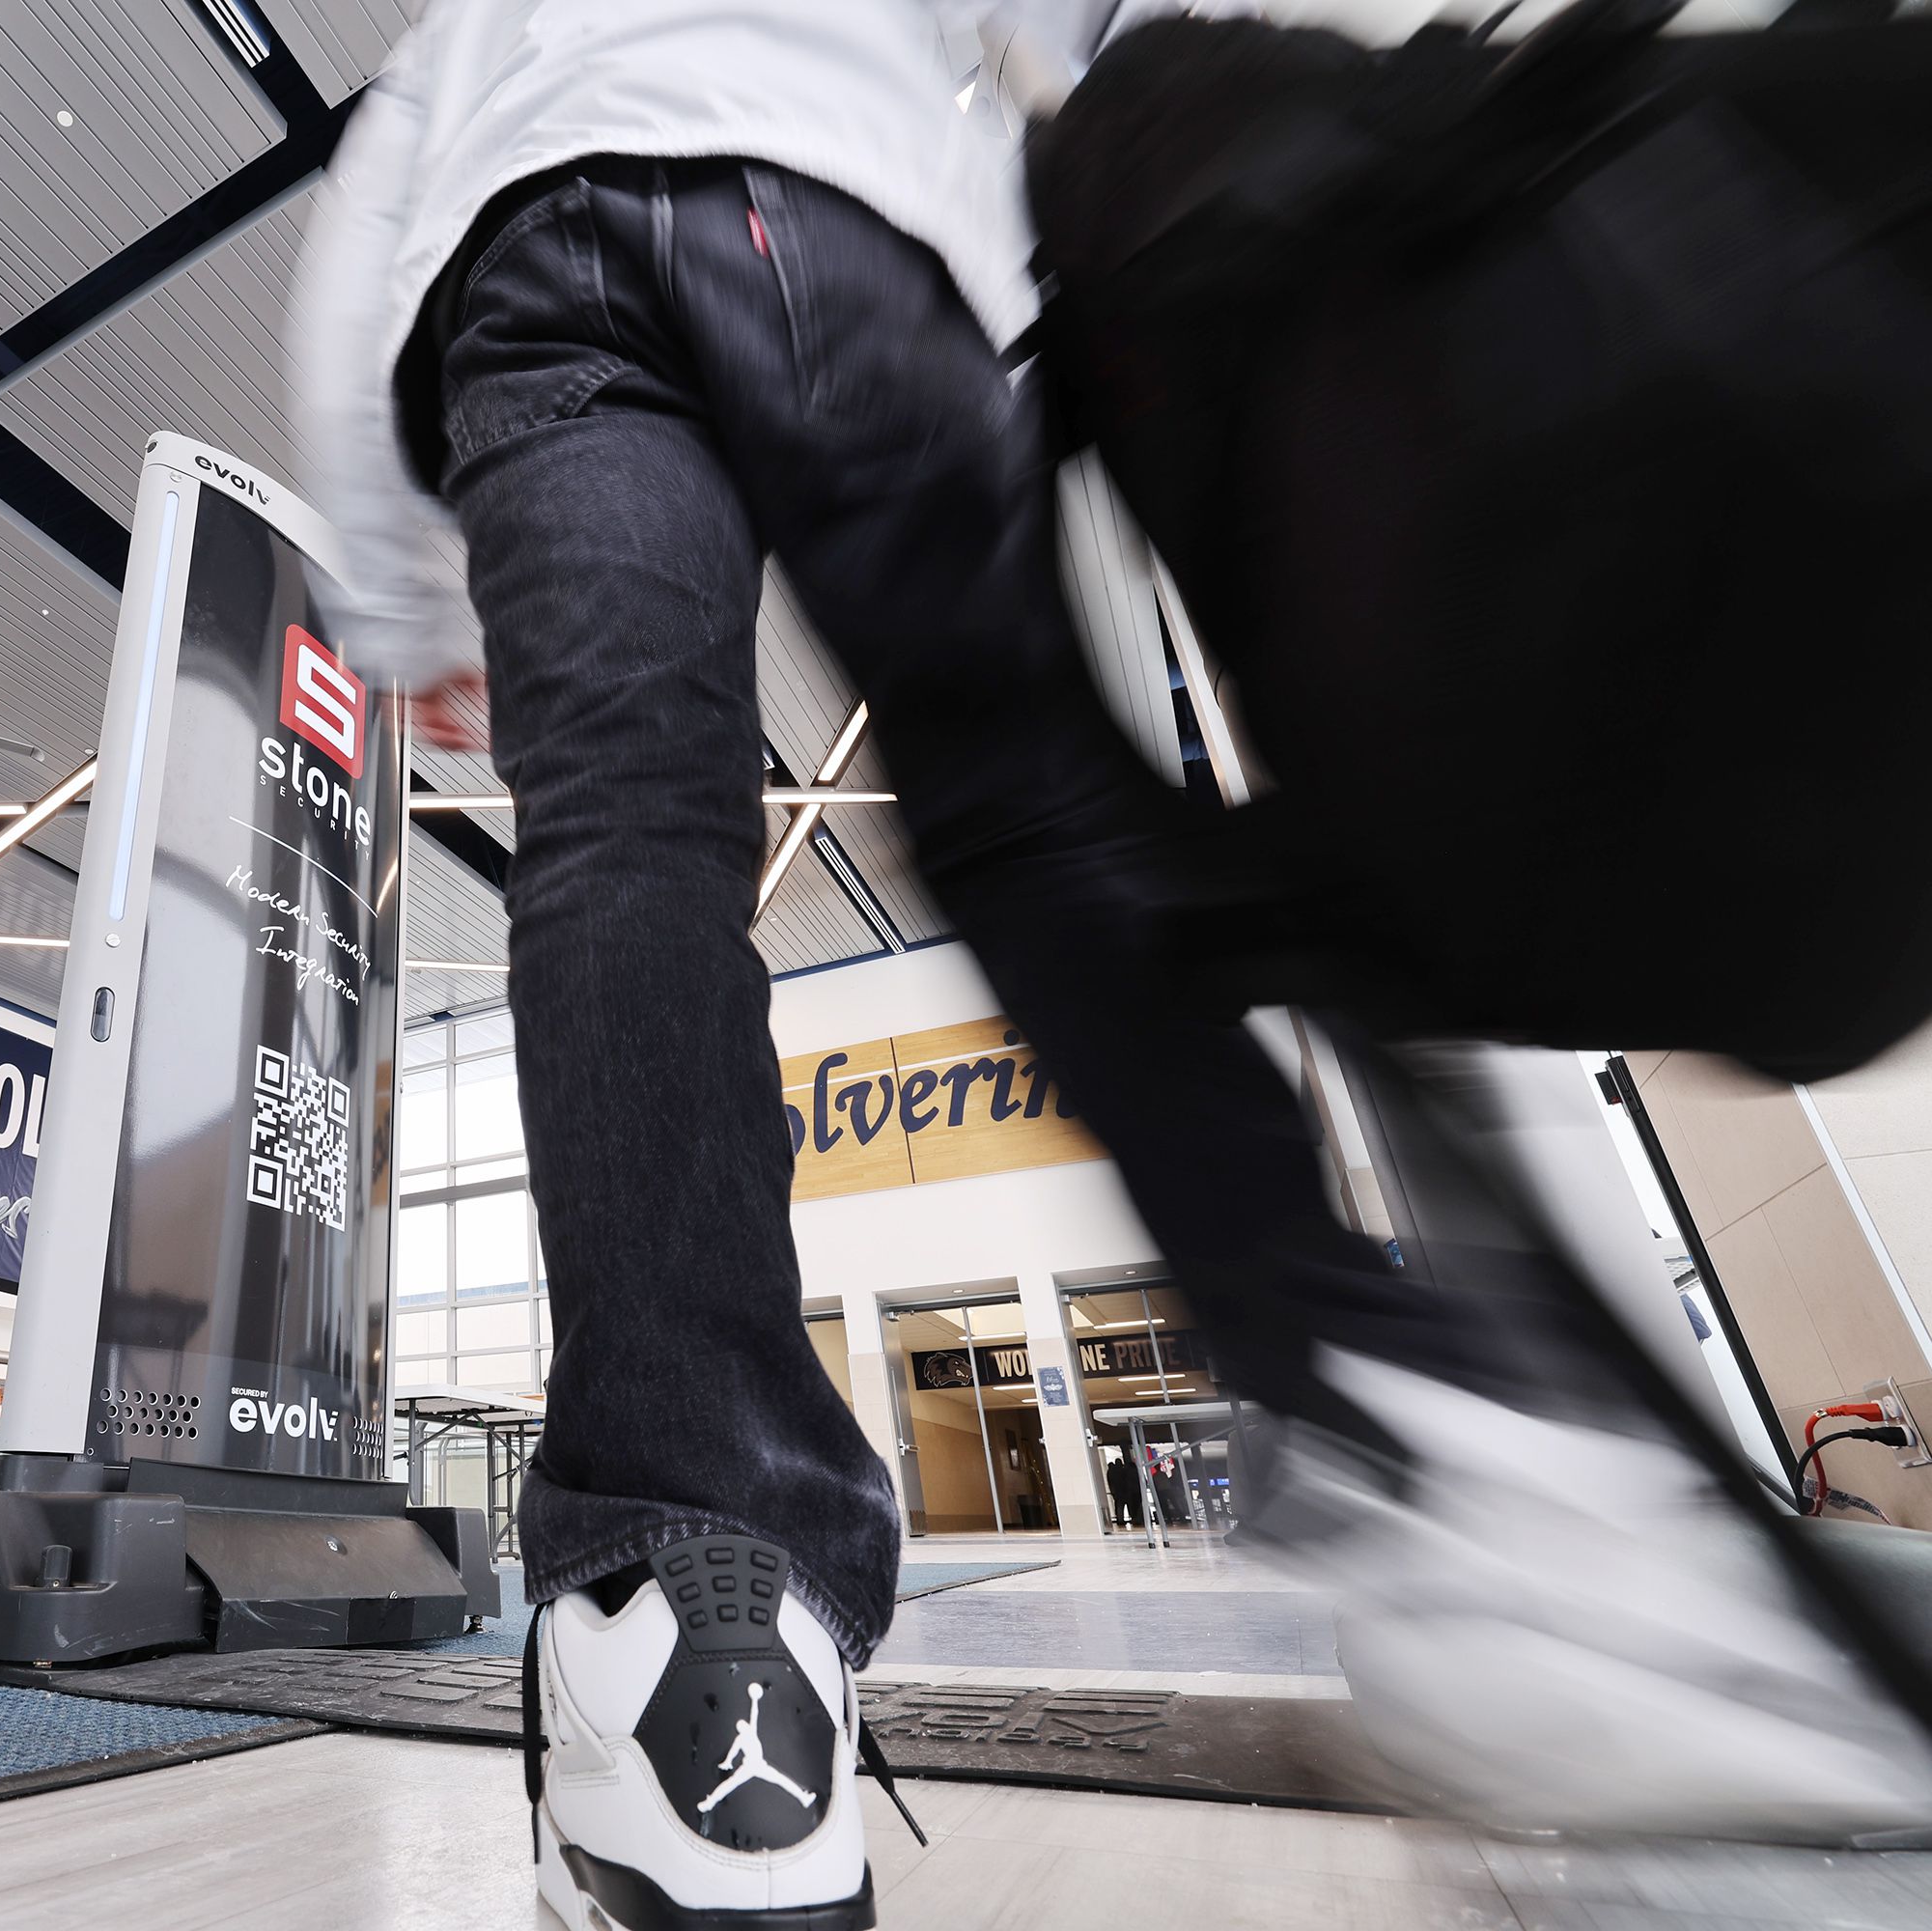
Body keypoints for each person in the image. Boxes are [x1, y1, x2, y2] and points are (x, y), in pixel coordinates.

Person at [292, 4, 1932, 1921]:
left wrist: (402, 594)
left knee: (626, 847)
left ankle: (696, 1643)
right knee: (1032, 816)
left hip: (539, 266)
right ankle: (1462, 1474)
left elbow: (375, 185)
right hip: (868, 234)